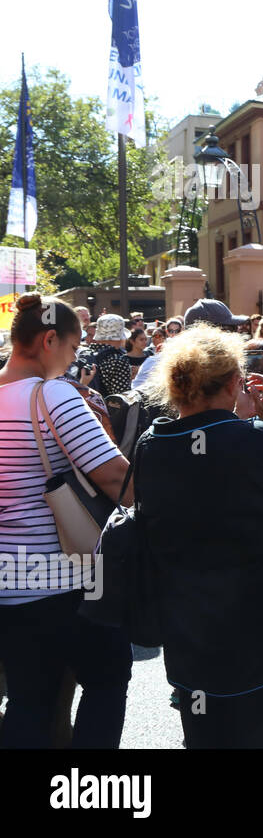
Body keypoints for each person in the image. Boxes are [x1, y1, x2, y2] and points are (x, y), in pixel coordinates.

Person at [135, 325, 263, 748]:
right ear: (231, 383)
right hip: (259, 633)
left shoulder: (152, 445)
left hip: (188, 634)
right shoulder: (256, 440)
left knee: (202, 737)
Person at [0, 294, 134, 748]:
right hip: (68, 581)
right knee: (107, 680)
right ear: (49, 338)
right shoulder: (53, 395)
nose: (74, 361)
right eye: (73, 349)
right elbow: (116, 477)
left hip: (9, 585)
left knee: (27, 701)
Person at [80, 314, 133, 398]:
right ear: (121, 337)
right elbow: (122, 398)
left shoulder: (84, 353)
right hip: (105, 409)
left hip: (84, 406)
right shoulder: (118, 360)